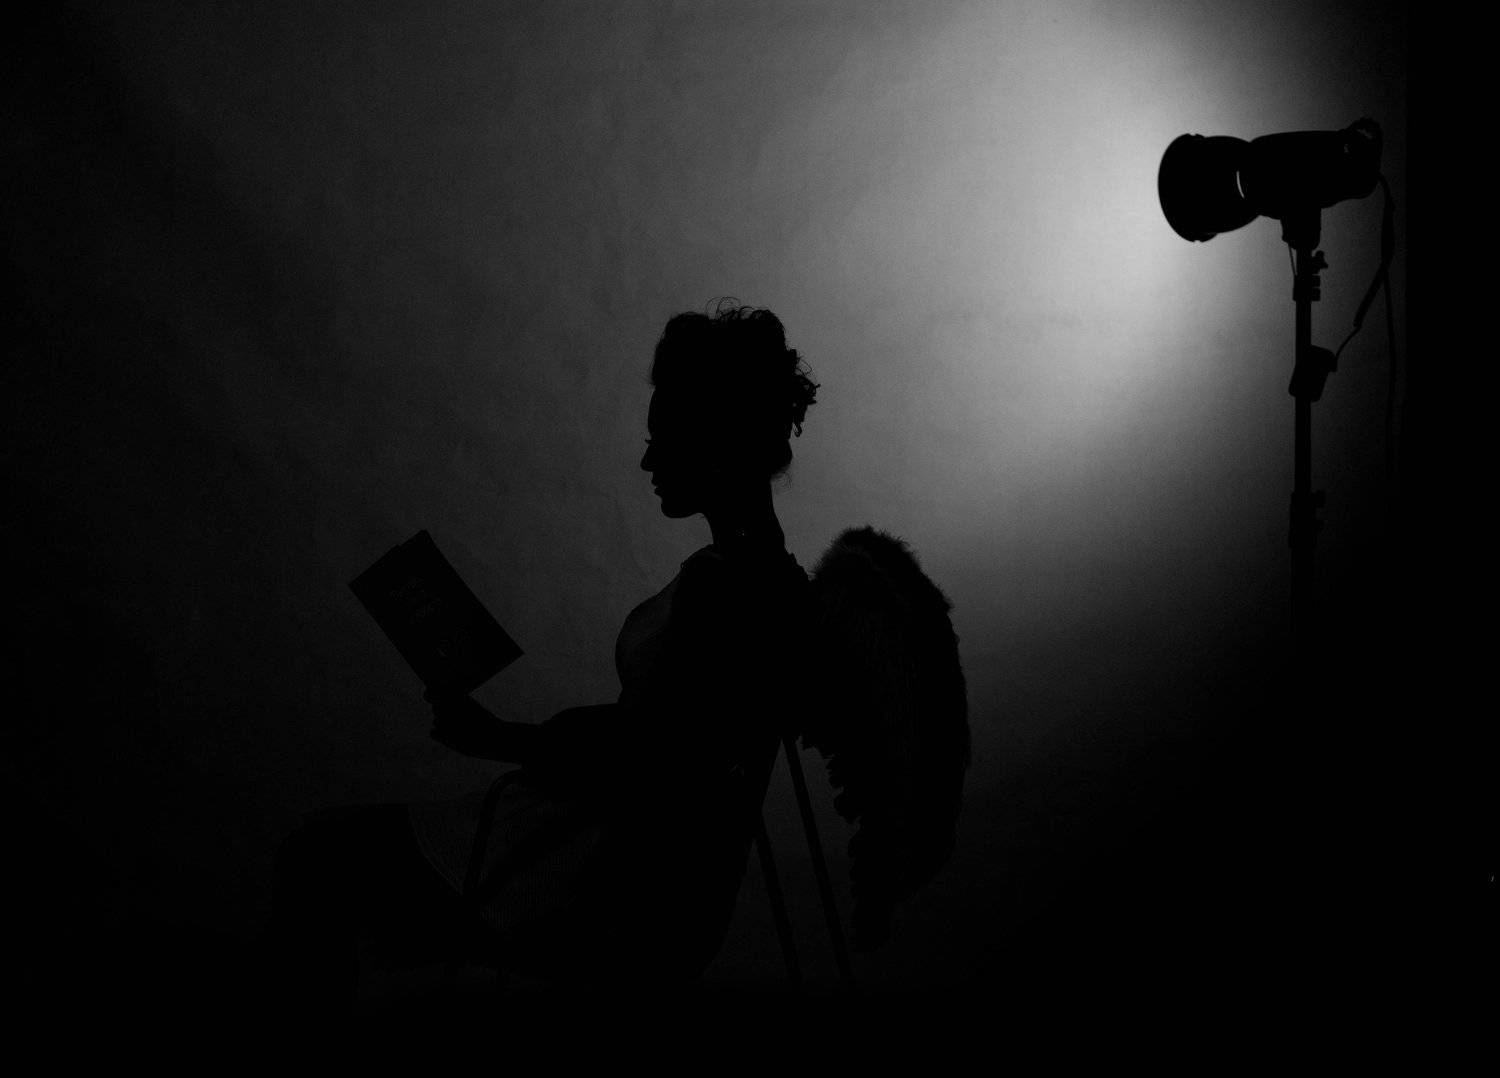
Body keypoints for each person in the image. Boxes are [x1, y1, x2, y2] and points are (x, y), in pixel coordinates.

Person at [265, 303, 820, 1007]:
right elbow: (673, 743)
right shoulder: (775, 580)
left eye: (662, 441)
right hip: (649, 873)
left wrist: (496, 737)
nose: (647, 461)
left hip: (601, 872)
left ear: (712, 444)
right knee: (325, 855)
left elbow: (647, 752)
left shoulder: (726, 587)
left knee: (317, 855)